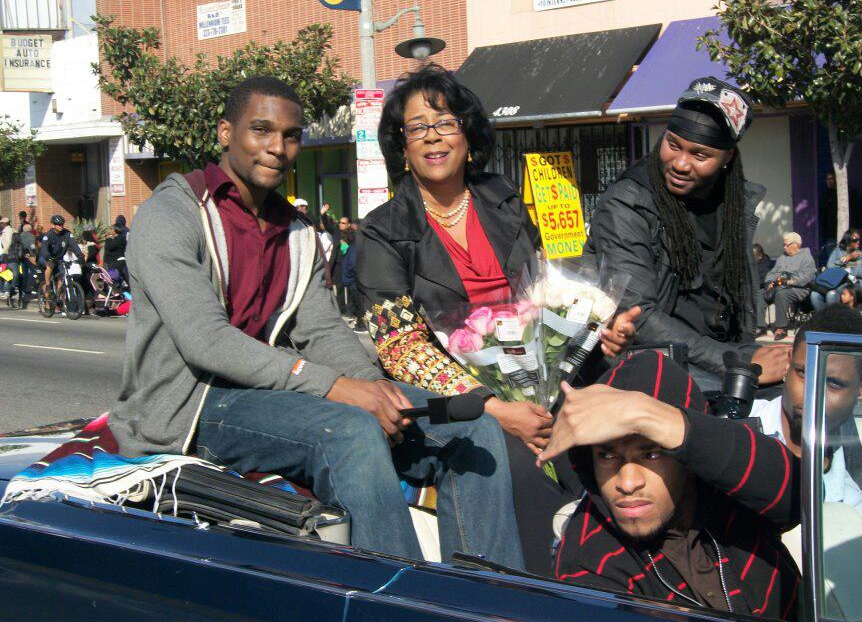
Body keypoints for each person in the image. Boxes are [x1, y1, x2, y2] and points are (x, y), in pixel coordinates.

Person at [108, 76, 523, 569]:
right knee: (348, 429)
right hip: (193, 405)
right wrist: (337, 388)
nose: (277, 148)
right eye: (261, 131)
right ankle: (403, 604)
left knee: (471, 429)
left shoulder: (296, 230)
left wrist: (374, 387)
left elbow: (322, 331)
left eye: (290, 136)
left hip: (274, 394)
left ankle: (491, 600)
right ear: (225, 133)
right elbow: (207, 342)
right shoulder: (173, 213)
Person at [356, 63, 576, 575]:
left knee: (595, 445)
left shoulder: (503, 200)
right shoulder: (382, 232)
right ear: (401, 146)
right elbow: (402, 349)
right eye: (417, 127)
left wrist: (583, 334)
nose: (433, 137)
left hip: (536, 386)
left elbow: (540, 295)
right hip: (453, 410)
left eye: (445, 122)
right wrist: (497, 408)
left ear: (468, 134)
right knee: (515, 469)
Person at [542, 352, 800, 618]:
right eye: (607, 456)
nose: (628, 483)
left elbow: (797, 496)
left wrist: (646, 414)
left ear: (685, 454)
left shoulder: (725, 494)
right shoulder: (590, 560)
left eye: (652, 454)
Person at [585, 77, 790, 393]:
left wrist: (751, 356)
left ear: (727, 159)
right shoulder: (627, 203)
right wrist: (740, 364)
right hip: (650, 370)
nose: (680, 163)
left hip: (715, 361)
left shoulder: (733, 203)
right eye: (673, 144)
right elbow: (639, 316)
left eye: (700, 155)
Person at [750, 305, 862, 525]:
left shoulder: (852, 511)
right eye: (803, 373)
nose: (812, 394)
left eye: (833, 383)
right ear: (789, 362)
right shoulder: (731, 426)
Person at [764, 232, 817, 341]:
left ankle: (781, 328)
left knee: (782, 294)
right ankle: (760, 325)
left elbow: (807, 277)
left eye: (786, 245)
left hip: (799, 288)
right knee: (761, 293)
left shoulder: (806, 258)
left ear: (795, 245)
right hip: (779, 285)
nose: (784, 247)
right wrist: (769, 281)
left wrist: (790, 281)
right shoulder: (782, 258)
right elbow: (772, 272)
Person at [810, 228, 862, 309]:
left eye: (859, 239)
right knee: (815, 295)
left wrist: (850, 270)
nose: (858, 242)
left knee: (831, 295)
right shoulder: (838, 251)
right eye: (855, 240)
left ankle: (835, 319)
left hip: (853, 283)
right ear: (848, 240)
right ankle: (824, 318)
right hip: (835, 282)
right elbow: (830, 266)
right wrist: (847, 258)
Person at [37, 215, 83, 290]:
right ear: (53, 225)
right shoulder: (49, 235)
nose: (61, 226)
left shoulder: (67, 234)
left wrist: (80, 256)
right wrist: (48, 256)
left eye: (62, 224)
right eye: (58, 225)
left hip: (58, 258)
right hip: (45, 257)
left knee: (62, 275)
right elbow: (44, 248)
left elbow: (74, 245)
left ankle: (59, 296)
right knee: (50, 264)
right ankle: (48, 284)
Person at [0, 216, 13, 299]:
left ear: (4, 223)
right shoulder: (7, 231)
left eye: (1, 223)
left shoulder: (7, 231)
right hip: (6, 255)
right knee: (5, 273)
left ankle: (6, 291)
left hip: (6, 255)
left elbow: (8, 243)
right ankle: (5, 290)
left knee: (5, 273)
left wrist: (4, 252)